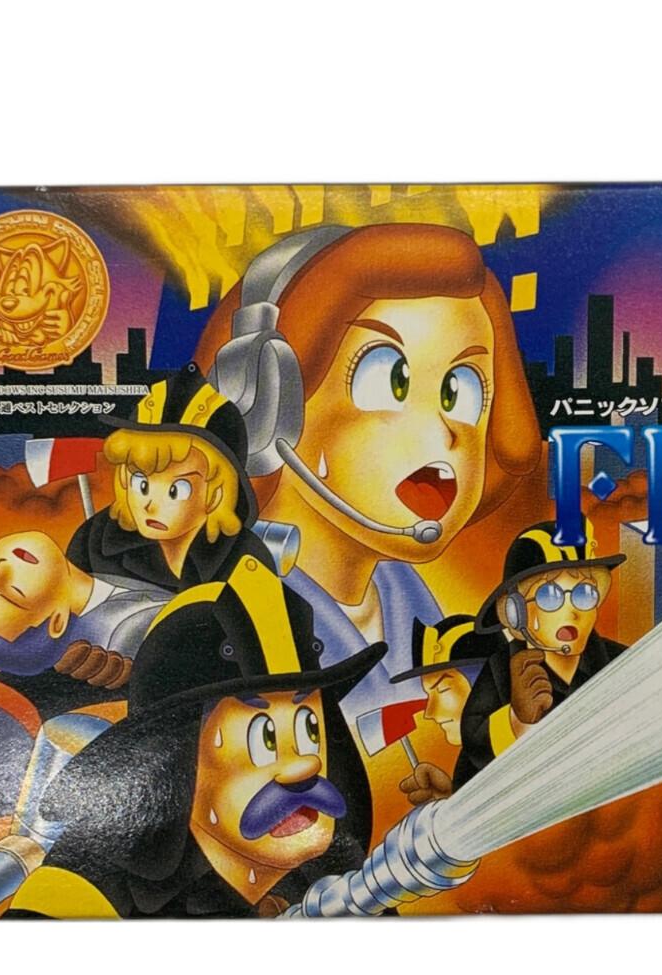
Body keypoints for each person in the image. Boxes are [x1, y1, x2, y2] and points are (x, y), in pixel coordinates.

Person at [192, 223, 542, 725]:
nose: (443, 434)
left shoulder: (412, 602)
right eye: (389, 379)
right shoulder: (224, 615)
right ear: (266, 403)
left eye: (460, 390)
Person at [0, 557, 384, 918]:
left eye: (309, 729)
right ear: (174, 760)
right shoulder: (79, 894)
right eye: (263, 738)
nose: (305, 765)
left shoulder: (348, 884)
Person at [0, 530, 168, 826]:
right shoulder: (123, 633)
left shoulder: (95, 542)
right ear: (57, 622)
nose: (1, 569)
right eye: (13, 594)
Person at [67, 363, 276, 592]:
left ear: (216, 494)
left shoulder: (246, 559)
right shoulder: (93, 542)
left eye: (176, 490)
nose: (150, 505)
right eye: (141, 483)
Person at [455, 520, 626, 786]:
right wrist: (517, 720)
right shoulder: (501, 669)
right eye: (550, 596)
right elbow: (474, 745)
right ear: (515, 612)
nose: (572, 611)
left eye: (584, 593)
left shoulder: (621, 662)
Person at [387, 614, 502, 802]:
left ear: (486, 682)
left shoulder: (521, 734)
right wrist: (452, 798)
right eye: (429, 694)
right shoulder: (472, 759)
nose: (429, 713)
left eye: (443, 689)